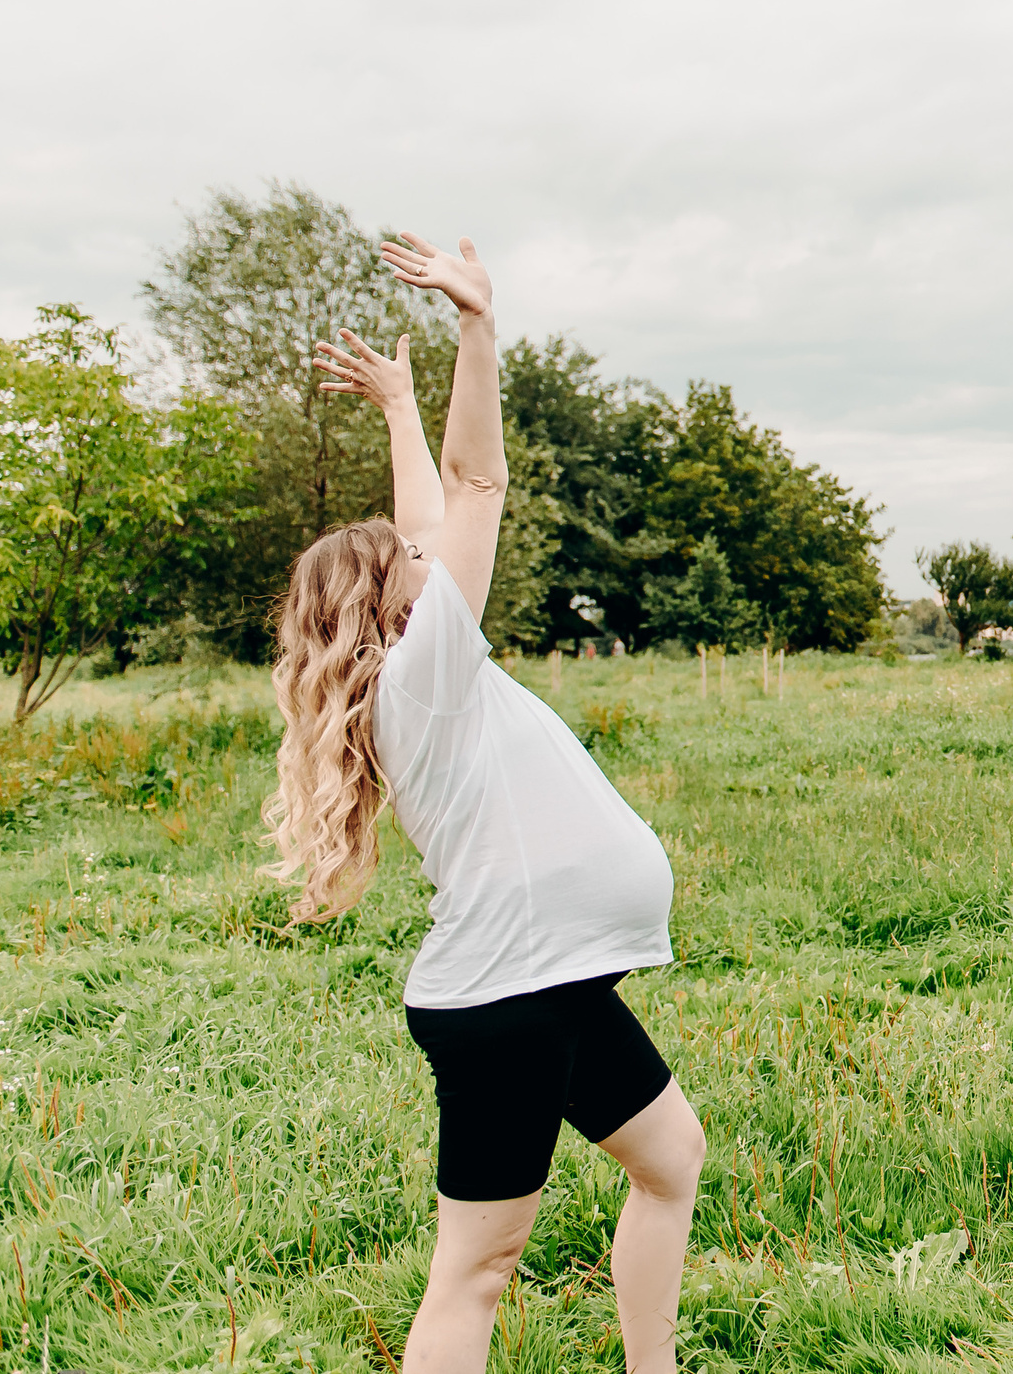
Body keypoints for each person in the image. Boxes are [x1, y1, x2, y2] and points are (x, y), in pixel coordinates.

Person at [262, 233, 705, 1374]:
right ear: (388, 600)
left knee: (671, 1158)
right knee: (477, 1269)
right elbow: (474, 486)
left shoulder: (426, 673)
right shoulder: (429, 677)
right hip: (509, 997)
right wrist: (475, 328)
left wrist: (401, 410)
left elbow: (428, 509)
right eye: (406, 561)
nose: (430, 557)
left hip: (548, 977)